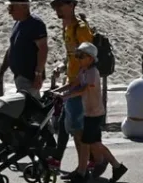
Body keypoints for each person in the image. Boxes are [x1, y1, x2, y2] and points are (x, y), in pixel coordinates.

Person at [54, 43, 128, 183]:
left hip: (95, 113)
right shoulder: (83, 70)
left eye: (81, 56)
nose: (78, 59)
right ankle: (82, 172)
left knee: (93, 143)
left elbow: (83, 90)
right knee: (86, 142)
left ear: (91, 58)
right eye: (77, 56)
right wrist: (57, 91)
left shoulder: (93, 72)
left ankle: (115, 166)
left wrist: (65, 97)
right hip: (87, 112)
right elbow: (73, 84)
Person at [49, 0, 95, 172]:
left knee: (76, 130)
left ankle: (84, 166)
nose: (57, 8)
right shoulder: (67, 28)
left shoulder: (81, 29)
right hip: (71, 82)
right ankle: (89, 162)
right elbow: (72, 56)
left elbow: (89, 58)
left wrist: (79, 84)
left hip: (78, 85)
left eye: (61, 4)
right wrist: (62, 66)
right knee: (69, 126)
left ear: (72, 5)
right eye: (55, 5)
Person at [0, 0, 48, 96]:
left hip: (29, 78)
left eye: (12, 8)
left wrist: (38, 74)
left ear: (24, 7)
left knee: (29, 109)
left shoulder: (35, 24)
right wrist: (2, 71)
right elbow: (12, 48)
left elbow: (43, 50)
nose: (9, 12)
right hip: (19, 77)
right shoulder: (17, 24)